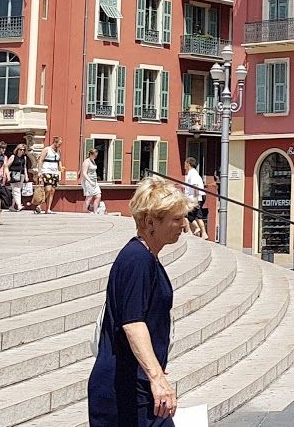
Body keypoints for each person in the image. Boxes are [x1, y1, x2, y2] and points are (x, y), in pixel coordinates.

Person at [87, 175, 188, 426]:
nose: (184, 225)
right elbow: (133, 323)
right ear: (150, 222)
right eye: (176, 219)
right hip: (127, 391)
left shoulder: (145, 257)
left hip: (137, 385)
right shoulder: (137, 260)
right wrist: (157, 379)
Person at [36, 138, 64, 214]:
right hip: (46, 171)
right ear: (55, 142)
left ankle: (48, 209)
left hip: (55, 172)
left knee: (52, 191)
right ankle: (39, 205)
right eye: (59, 144)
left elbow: (59, 160)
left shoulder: (59, 151)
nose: (60, 145)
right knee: (48, 189)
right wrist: (39, 171)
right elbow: (40, 160)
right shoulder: (47, 149)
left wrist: (60, 167)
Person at [182, 158, 207, 240]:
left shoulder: (192, 173)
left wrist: (195, 199)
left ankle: (192, 230)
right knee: (196, 216)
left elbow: (195, 186)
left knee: (185, 214)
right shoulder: (193, 173)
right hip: (197, 197)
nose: (184, 165)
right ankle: (203, 232)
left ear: (188, 163)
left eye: (185, 163)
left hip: (194, 197)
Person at [81, 147, 102, 215]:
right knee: (89, 197)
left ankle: (95, 211)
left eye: (96, 155)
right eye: (95, 155)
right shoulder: (86, 162)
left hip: (94, 181)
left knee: (98, 196)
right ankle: (85, 210)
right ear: (91, 154)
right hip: (88, 181)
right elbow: (84, 173)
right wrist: (90, 181)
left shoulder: (93, 161)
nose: (96, 157)